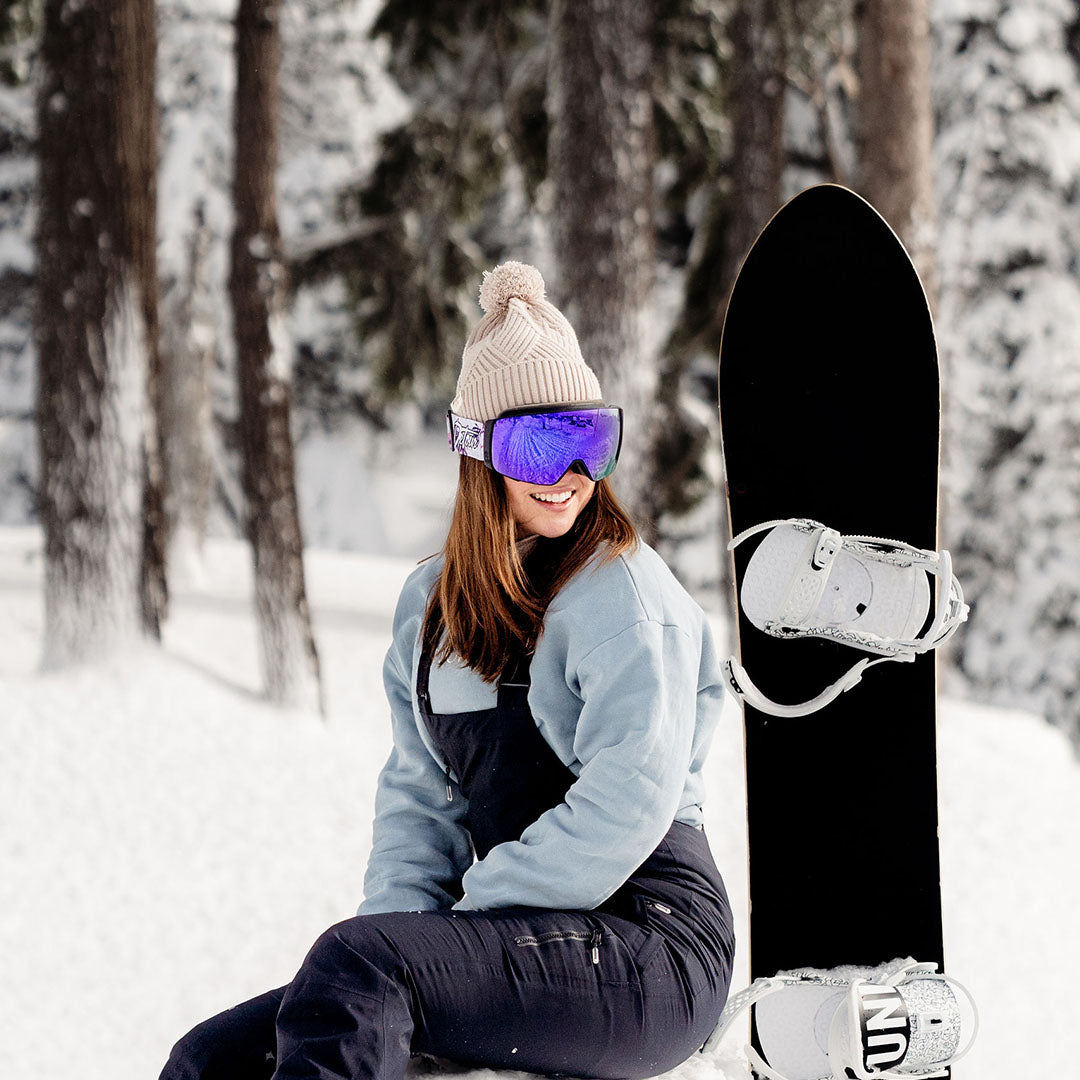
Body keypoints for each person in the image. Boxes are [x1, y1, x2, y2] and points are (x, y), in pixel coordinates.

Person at [161, 261, 735, 1080]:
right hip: (517, 937)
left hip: (651, 942)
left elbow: (630, 800)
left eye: (588, 440)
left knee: (362, 968)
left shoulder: (626, 596)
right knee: (214, 1057)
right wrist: (405, 936)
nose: (569, 475)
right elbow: (418, 806)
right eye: (537, 445)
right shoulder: (430, 611)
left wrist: (448, 932)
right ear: (478, 453)